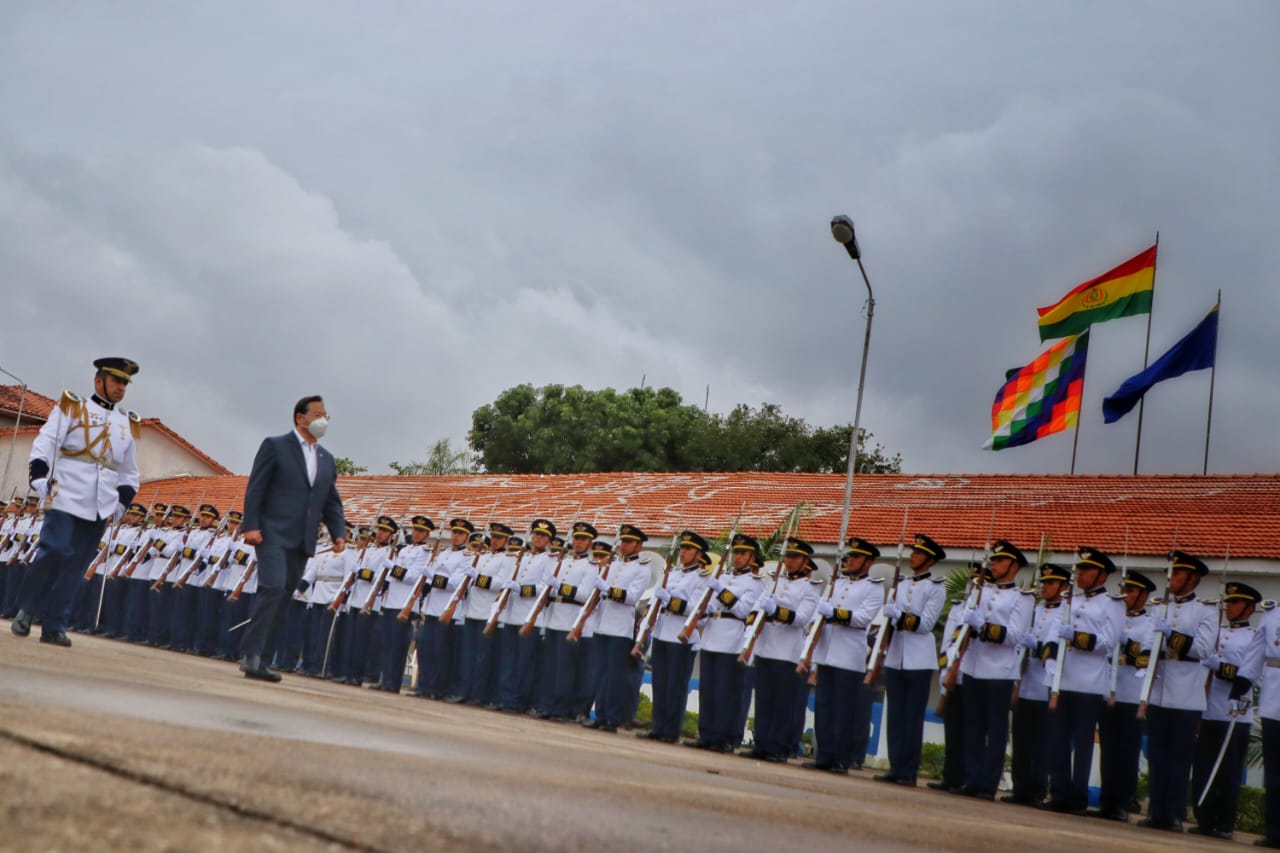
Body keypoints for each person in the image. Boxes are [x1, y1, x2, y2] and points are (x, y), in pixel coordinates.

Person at [11, 357, 141, 646]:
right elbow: (45, 443)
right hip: (65, 495)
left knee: (76, 566)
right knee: (54, 551)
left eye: (125, 383)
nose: (121, 388)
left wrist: (121, 504)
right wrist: (39, 478)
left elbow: (130, 473)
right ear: (99, 381)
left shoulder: (126, 424)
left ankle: (55, 624)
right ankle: (27, 608)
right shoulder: (73, 408)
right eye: (116, 381)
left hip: (100, 505)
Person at [237, 395, 347, 682]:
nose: (323, 420)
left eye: (326, 415)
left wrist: (339, 533)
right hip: (272, 533)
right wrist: (251, 525)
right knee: (272, 588)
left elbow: (330, 500)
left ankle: (263, 659)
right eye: (317, 414)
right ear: (300, 417)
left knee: (284, 595)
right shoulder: (275, 446)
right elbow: (256, 487)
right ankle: (250, 653)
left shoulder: (326, 459)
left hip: (302, 540)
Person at [1139, 550, 1217, 832]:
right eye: (1170, 573)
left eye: (1178, 573)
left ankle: (1173, 814)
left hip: (1186, 693)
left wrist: (1171, 636)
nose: (1171, 578)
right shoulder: (1161, 607)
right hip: (1160, 688)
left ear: (1193, 578)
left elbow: (1204, 649)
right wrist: (1145, 658)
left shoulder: (1206, 611)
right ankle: (1156, 811)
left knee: (1179, 758)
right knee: (1157, 756)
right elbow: (1148, 642)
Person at [1043, 546, 1123, 815]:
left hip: (1089, 683)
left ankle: (1077, 797)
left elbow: (1107, 642)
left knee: (1084, 743)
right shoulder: (1070, 600)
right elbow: (1054, 632)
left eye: (1086, 570)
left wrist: (1075, 637)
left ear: (1101, 575)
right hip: (1063, 679)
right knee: (1057, 740)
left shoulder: (1112, 604)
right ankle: (1059, 792)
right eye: (1080, 570)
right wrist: (1051, 655)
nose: (1080, 574)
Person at [958, 540, 1034, 799]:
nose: (994, 564)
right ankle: (972, 777)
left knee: (995, 729)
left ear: (1014, 566)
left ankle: (989, 783)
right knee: (973, 727)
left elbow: (1014, 635)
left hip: (1000, 670)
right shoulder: (982, 591)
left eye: (1000, 561)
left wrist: (982, 625)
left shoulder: (1021, 598)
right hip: (974, 665)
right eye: (994, 560)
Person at [1191, 581, 1264, 840]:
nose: (1229, 607)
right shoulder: (1217, 632)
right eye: (1228, 602)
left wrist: (1220, 667)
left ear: (1249, 607)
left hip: (1234, 714)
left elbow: (1250, 675)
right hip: (1209, 709)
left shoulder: (1254, 638)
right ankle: (1205, 818)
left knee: (1228, 773)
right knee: (1203, 768)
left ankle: (1224, 823)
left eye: (1235, 602)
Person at [804, 536, 882, 774]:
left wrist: (835, 613)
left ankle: (841, 759)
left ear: (868, 563)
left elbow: (862, 619)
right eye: (849, 556)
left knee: (844, 710)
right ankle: (825, 755)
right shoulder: (837, 583)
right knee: (825, 707)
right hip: (827, 652)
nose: (850, 560)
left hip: (849, 655)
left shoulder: (874, 587)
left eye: (856, 557)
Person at [874, 533, 947, 787]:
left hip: (918, 659)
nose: (912, 556)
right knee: (895, 716)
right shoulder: (902, 583)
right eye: (913, 552)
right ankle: (895, 767)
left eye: (918, 553)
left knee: (912, 718)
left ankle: (908, 771)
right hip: (897, 656)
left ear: (929, 559)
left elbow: (926, 624)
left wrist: (900, 614)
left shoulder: (936, 588)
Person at [689, 534, 764, 753]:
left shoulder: (754, 583)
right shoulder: (724, 576)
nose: (737, 557)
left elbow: (742, 610)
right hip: (712, 635)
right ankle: (706, 733)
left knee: (726, 692)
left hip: (732, 639)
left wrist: (720, 591)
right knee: (708, 690)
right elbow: (711, 605)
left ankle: (724, 737)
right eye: (736, 553)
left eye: (742, 554)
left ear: (751, 557)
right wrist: (702, 613)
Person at [1092, 569, 1156, 821]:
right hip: (1109, 690)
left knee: (1127, 752)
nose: (1125, 595)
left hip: (1131, 694)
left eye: (1130, 591)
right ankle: (1107, 801)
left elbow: (1145, 659)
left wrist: (1125, 650)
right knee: (1108, 749)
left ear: (1143, 596)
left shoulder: (1149, 625)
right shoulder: (1112, 618)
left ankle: (1123, 802)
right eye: (1124, 590)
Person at [1004, 563, 1069, 806]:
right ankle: (1020, 788)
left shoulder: (1064, 613)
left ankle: (1038, 789)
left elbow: (1058, 649)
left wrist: (1038, 647)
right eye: (1044, 582)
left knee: (1042, 742)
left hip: (1046, 685)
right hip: (1028, 680)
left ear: (1062, 587)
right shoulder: (1037, 610)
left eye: (1051, 583)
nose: (1045, 587)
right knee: (1021, 738)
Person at [587, 524, 651, 732]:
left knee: (615, 676)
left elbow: (632, 597)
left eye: (629, 542)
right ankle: (601, 715)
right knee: (601, 674)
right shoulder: (613, 564)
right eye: (623, 541)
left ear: (638, 545)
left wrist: (607, 589)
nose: (624, 545)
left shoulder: (642, 568)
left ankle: (613, 719)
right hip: (602, 624)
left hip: (621, 627)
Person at [1256, 599, 1280, 849]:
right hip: (1273, 701)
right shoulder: (1272, 615)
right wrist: (1243, 683)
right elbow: (1256, 653)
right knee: (1274, 774)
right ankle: (1274, 831)